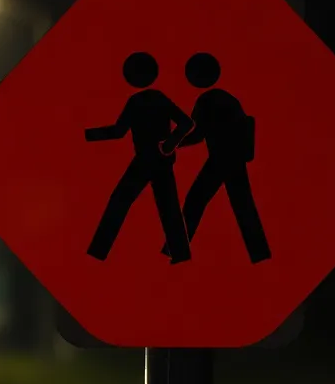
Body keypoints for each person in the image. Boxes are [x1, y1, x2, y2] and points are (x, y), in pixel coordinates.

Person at [163, 52, 271, 263]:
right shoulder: (226, 98)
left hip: (221, 158)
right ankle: (259, 253)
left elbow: (197, 135)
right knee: (242, 204)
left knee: (196, 200)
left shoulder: (207, 100)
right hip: (234, 158)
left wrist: (172, 144)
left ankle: (175, 249)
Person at [85, 52, 194, 263]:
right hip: (155, 161)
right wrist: (171, 142)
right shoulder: (152, 99)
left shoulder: (140, 100)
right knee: (167, 207)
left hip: (148, 161)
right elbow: (186, 123)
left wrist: (171, 142)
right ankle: (181, 255)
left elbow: (186, 122)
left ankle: (98, 252)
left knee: (122, 201)